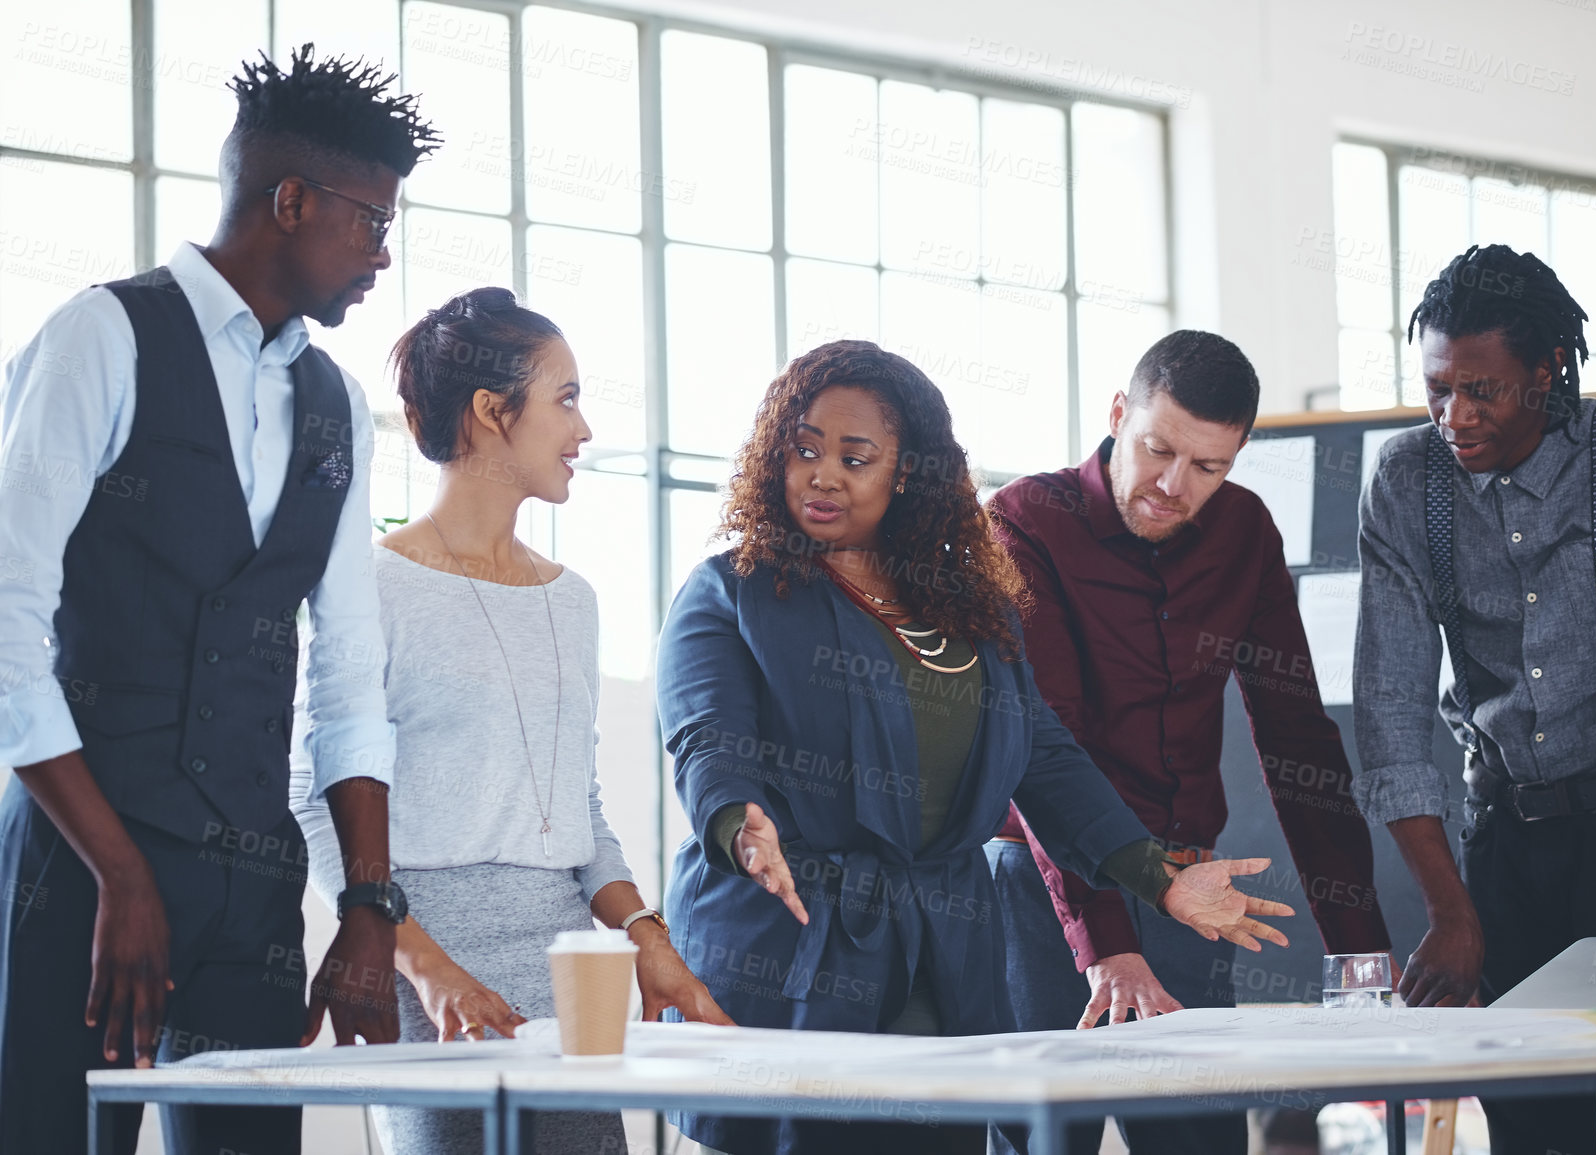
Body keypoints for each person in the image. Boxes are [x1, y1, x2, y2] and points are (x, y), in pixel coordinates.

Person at [657, 339, 1295, 1155]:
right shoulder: (732, 588)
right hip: (789, 943)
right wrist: (735, 822)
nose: (822, 474)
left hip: (939, 945)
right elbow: (704, 735)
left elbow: (1046, 755)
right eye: (804, 448)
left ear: (907, 473)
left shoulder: (967, 608)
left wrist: (1158, 879)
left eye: (855, 457)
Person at [0, 46, 437, 1155]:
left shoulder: (334, 403)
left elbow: (347, 671)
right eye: (372, 223)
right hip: (76, 867)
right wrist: (120, 873)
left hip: (249, 887)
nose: (383, 256)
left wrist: (368, 909)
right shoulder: (103, 337)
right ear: (290, 202)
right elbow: (8, 625)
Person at [291, 287, 732, 1153]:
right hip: (430, 966)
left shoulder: (573, 601)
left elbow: (581, 811)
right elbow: (314, 804)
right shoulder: (373, 587)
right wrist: (426, 966)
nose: (584, 428)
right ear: (494, 412)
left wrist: (647, 938)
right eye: (565, 398)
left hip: (568, 971)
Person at [985, 330, 1431, 1155]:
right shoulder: (1023, 522)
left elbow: (1297, 734)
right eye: (1157, 449)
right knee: (1046, 1144)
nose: (1171, 485)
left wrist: (1360, 955)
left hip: (1196, 893)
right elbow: (1044, 751)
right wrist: (1108, 944)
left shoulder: (1244, 533)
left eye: (1207, 467)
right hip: (1047, 896)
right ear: (1118, 414)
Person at [1355, 243, 1596, 1155]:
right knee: (1529, 1127)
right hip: (1507, 840)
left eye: (1481, 389)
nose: (1455, 415)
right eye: (1436, 388)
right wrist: (1450, 910)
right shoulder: (1406, 481)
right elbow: (1389, 714)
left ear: (1546, 368)